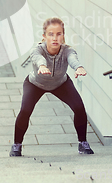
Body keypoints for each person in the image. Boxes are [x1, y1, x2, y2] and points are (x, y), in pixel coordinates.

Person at [10, 17, 94, 157]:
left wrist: (78, 67)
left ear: (63, 35)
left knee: (79, 107)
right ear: (44, 36)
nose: (55, 38)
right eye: (51, 34)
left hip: (60, 83)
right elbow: (38, 59)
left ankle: (83, 143)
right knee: (25, 110)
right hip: (35, 84)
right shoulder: (37, 50)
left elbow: (73, 59)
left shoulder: (67, 50)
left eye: (59, 33)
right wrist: (42, 66)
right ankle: (16, 145)